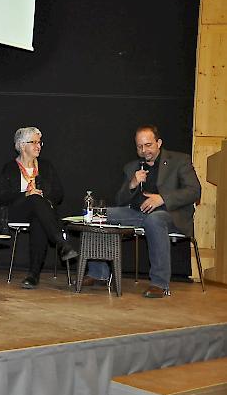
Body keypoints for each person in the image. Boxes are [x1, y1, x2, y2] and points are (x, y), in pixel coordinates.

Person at [83, 125, 201, 298]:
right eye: (140, 146)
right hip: (137, 213)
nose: (144, 150)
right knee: (97, 214)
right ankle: (98, 272)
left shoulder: (179, 160)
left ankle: (159, 284)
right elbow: (120, 200)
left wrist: (162, 198)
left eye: (148, 145)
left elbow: (194, 191)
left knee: (155, 219)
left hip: (169, 214)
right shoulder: (132, 167)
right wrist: (132, 184)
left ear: (159, 143)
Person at [0, 127, 78, 289]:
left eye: (39, 142)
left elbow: (59, 194)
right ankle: (61, 242)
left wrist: (43, 195)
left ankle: (33, 275)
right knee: (33, 198)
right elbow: (2, 197)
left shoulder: (46, 166)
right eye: (33, 142)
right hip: (18, 211)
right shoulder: (10, 167)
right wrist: (26, 195)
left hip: (42, 213)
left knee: (39, 219)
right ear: (21, 145)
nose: (38, 145)